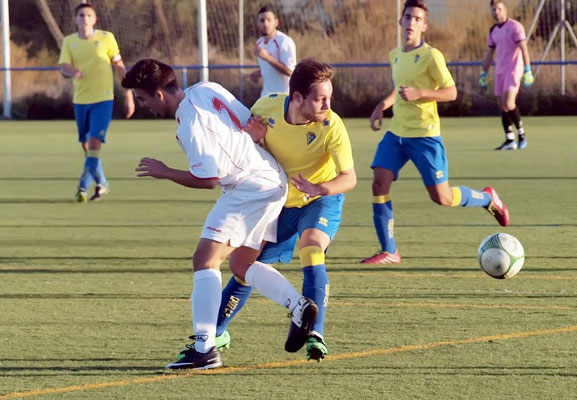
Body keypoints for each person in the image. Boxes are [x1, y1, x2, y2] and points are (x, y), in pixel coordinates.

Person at [121, 58, 318, 370]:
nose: (143, 105)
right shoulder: (206, 88)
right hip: (271, 179)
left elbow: (208, 179)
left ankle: (205, 348)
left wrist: (165, 171)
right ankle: (297, 305)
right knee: (242, 264)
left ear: (159, 94)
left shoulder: (190, 123)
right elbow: (248, 121)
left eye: (143, 98)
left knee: (204, 260)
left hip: (248, 188)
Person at [215, 59, 357, 362]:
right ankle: (215, 332)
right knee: (246, 269)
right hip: (279, 203)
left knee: (311, 248)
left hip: (319, 199)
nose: (327, 105)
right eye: (320, 99)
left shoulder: (332, 126)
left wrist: (321, 189)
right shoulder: (266, 108)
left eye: (329, 97)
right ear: (296, 98)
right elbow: (245, 152)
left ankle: (314, 334)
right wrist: (256, 140)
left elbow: (350, 178)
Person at [360, 0, 510, 265]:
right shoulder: (395, 55)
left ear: (424, 26)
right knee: (379, 182)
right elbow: (400, 87)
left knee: (442, 197)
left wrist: (421, 94)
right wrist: (382, 106)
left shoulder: (432, 56)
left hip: (425, 136)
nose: (411, 22)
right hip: (397, 134)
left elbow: (451, 92)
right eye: (408, 17)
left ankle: (488, 198)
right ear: (400, 21)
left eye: (417, 19)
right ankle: (390, 250)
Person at [58, 3, 135, 202]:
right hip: (81, 101)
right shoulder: (69, 41)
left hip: (103, 100)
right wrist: (71, 72)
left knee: (94, 143)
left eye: (88, 15)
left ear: (95, 19)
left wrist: (128, 95)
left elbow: (119, 66)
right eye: (81, 15)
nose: (84, 19)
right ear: (75, 20)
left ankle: (82, 187)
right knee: (86, 146)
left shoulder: (106, 38)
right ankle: (103, 183)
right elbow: (64, 67)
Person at [480, 0, 534, 150]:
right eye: (493, 9)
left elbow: (524, 49)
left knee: (509, 102)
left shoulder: (515, 27)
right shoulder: (493, 31)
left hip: (514, 69)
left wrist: (528, 70)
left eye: (499, 8)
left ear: (505, 10)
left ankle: (522, 135)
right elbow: (490, 53)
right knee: (503, 106)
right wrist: (483, 73)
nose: (496, 12)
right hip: (500, 71)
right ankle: (510, 139)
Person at [250, 5, 297, 97]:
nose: (265, 24)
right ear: (258, 24)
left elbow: (291, 72)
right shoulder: (259, 43)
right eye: (262, 20)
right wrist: (257, 74)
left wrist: (267, 57)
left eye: (269, 20)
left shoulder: (285, 41)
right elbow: (268, 68)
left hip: (283, 98)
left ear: (276, 22)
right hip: (265, 96)